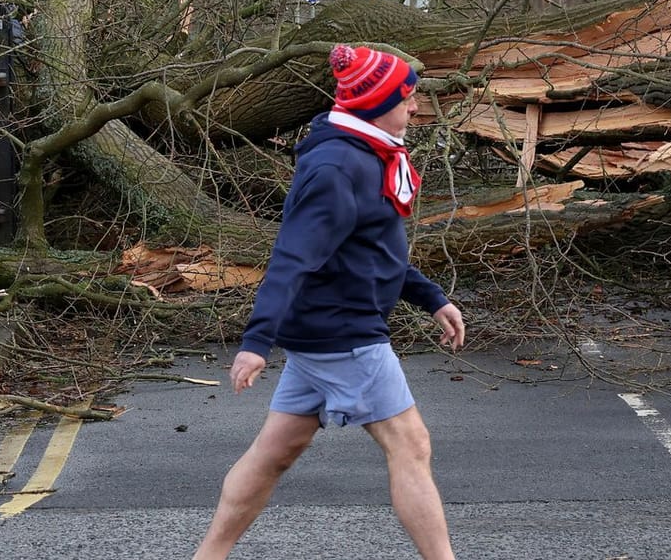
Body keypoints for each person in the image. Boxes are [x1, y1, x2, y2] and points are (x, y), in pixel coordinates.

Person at [192, 44, 466, 560]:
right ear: (374, 103)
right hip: (345, 336)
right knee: (411, 446)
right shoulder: (339, 167)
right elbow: (292, 257)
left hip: (324, 332)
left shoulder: (366, 152)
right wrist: (256, 343)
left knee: (274, 453)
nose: (416, 108)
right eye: (407, 98)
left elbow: (370, 252)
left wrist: (431, 298)